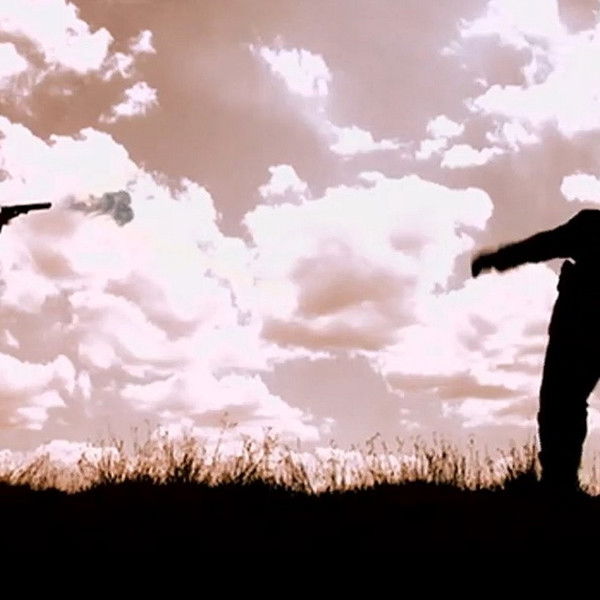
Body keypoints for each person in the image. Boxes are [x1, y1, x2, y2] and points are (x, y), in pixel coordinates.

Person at [471, 209, 600, 493]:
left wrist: (497, 259)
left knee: (561, 404)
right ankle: (560, 482)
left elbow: (543, 245)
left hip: (578, 329)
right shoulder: (591, 227)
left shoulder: (591, 227)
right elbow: (543, 245)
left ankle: (559, 483)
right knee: (563, 404)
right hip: (576, 328)